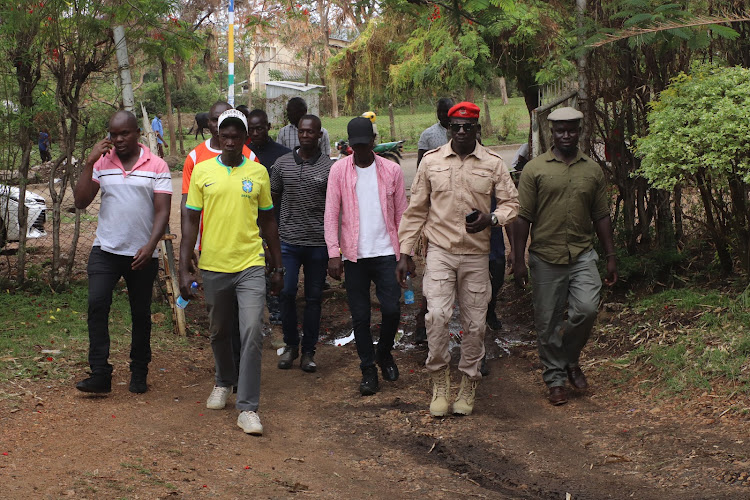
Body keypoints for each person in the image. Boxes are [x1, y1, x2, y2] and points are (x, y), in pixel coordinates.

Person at [396, 102, 519, 417]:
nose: (462, 132)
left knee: (475, 325)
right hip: (440, 252)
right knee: (436, 316)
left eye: (468, 127)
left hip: (476, 256)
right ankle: (439, 382)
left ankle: (468, 383)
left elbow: (511, 204)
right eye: (456, 127)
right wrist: (405, 252)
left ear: (477, 129)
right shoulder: (431, 162)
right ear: (448, 128)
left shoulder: (492, 163)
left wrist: (491, 219)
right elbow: (417, 209)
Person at [180, 109, 283, 436]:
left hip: (250, 264)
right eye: (225, 135)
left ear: (244, 139)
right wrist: (185, 266)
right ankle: (224, 381)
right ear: (218, 136)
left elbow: (268, 220)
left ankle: (248, 407)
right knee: (219, 330)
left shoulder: (259, 172)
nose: (229, 141)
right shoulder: (202, 171)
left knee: (252, 330)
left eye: (236, 136)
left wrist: (277, 265)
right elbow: (190, 221)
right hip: (213, 265)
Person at [511, 106, 617, 406]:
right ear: (551, 133)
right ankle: (555, 379)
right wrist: (518, 261)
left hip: (582, 253)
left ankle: (570, 359)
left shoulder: (592, 170)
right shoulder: (535, 169)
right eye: (560, 130)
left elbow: (601, 216)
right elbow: (522, 219)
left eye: (571, 130)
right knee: (546, 322)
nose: (566, 135)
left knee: (586, 310)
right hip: (545, 256)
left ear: (579, 132)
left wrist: (610, 255)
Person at [73, 111, 172, 394]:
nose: (118, 140)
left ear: (137, 133)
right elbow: (81, 201)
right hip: (105, 249)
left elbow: (162, 211)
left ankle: (139, 371)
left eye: (124, 133)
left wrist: (151, 246)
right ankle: (100, 374)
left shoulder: (157, 165)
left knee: (140, 314)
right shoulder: (102, 163)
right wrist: (90, 161)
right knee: (97, 305)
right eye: (113, 134)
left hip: (141, 253)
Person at [324, 117, 409, 396]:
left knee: (392, 309)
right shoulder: (339, 171)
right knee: (359, 317)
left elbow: (402, 214)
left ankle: (383, 353)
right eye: (355, 146)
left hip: (386, 252)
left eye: (365, 144)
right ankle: (368, 369)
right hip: (354, 255)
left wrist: (405, 253)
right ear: (350, 145)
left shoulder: (391, 171)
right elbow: (331, 214)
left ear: (373, 142)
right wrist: (333, 253)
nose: (360, 150)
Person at [181, 101, 257, 381]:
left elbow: (259, 212)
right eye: (212, 121)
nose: (215, 126)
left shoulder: (250, 157)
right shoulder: (195, 158)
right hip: (210, 250)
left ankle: (241, 377)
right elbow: (187, 210)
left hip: (246, 255)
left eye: (221, 121)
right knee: (221, 322)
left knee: (245, 320)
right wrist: (188, 252)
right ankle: (226, 376)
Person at [271, 115, 333, 372]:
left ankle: (308, 351)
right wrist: (270, 239)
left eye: (311, 132)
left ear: (320, 135)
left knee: (314, 298)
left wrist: (334, 246)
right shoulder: (282, 164)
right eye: (302, 132)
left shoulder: (330, 168)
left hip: (318, 243)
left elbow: (335, 208)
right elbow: (271, 203)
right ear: (298, 134)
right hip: (288, 242)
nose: (306, 136)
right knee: (286, 293)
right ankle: (290, 346)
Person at [244, 108, 292, 325]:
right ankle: (255, 314)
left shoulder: (282, 154)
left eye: (259, 128)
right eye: (251, 129)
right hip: (249, 221)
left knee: (276, 264)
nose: (255, 133)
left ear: (268, 127)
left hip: (277, 219)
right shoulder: (242, 153)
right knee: (255, 267)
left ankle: (279, 312)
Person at [413, 97, 455, 344]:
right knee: (433, 272)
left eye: (446, 111)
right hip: (436, 211)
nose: (443, 115)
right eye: (440, 111)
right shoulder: (428, 135)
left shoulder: (464, 132)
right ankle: (424, 322)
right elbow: (420, 169)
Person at [416, 97, 454, 166]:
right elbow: (421, 163)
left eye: (445, 111)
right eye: (439, 111)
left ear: (453, 111)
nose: (442, 114)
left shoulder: (462, 133)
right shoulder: (427, 134)